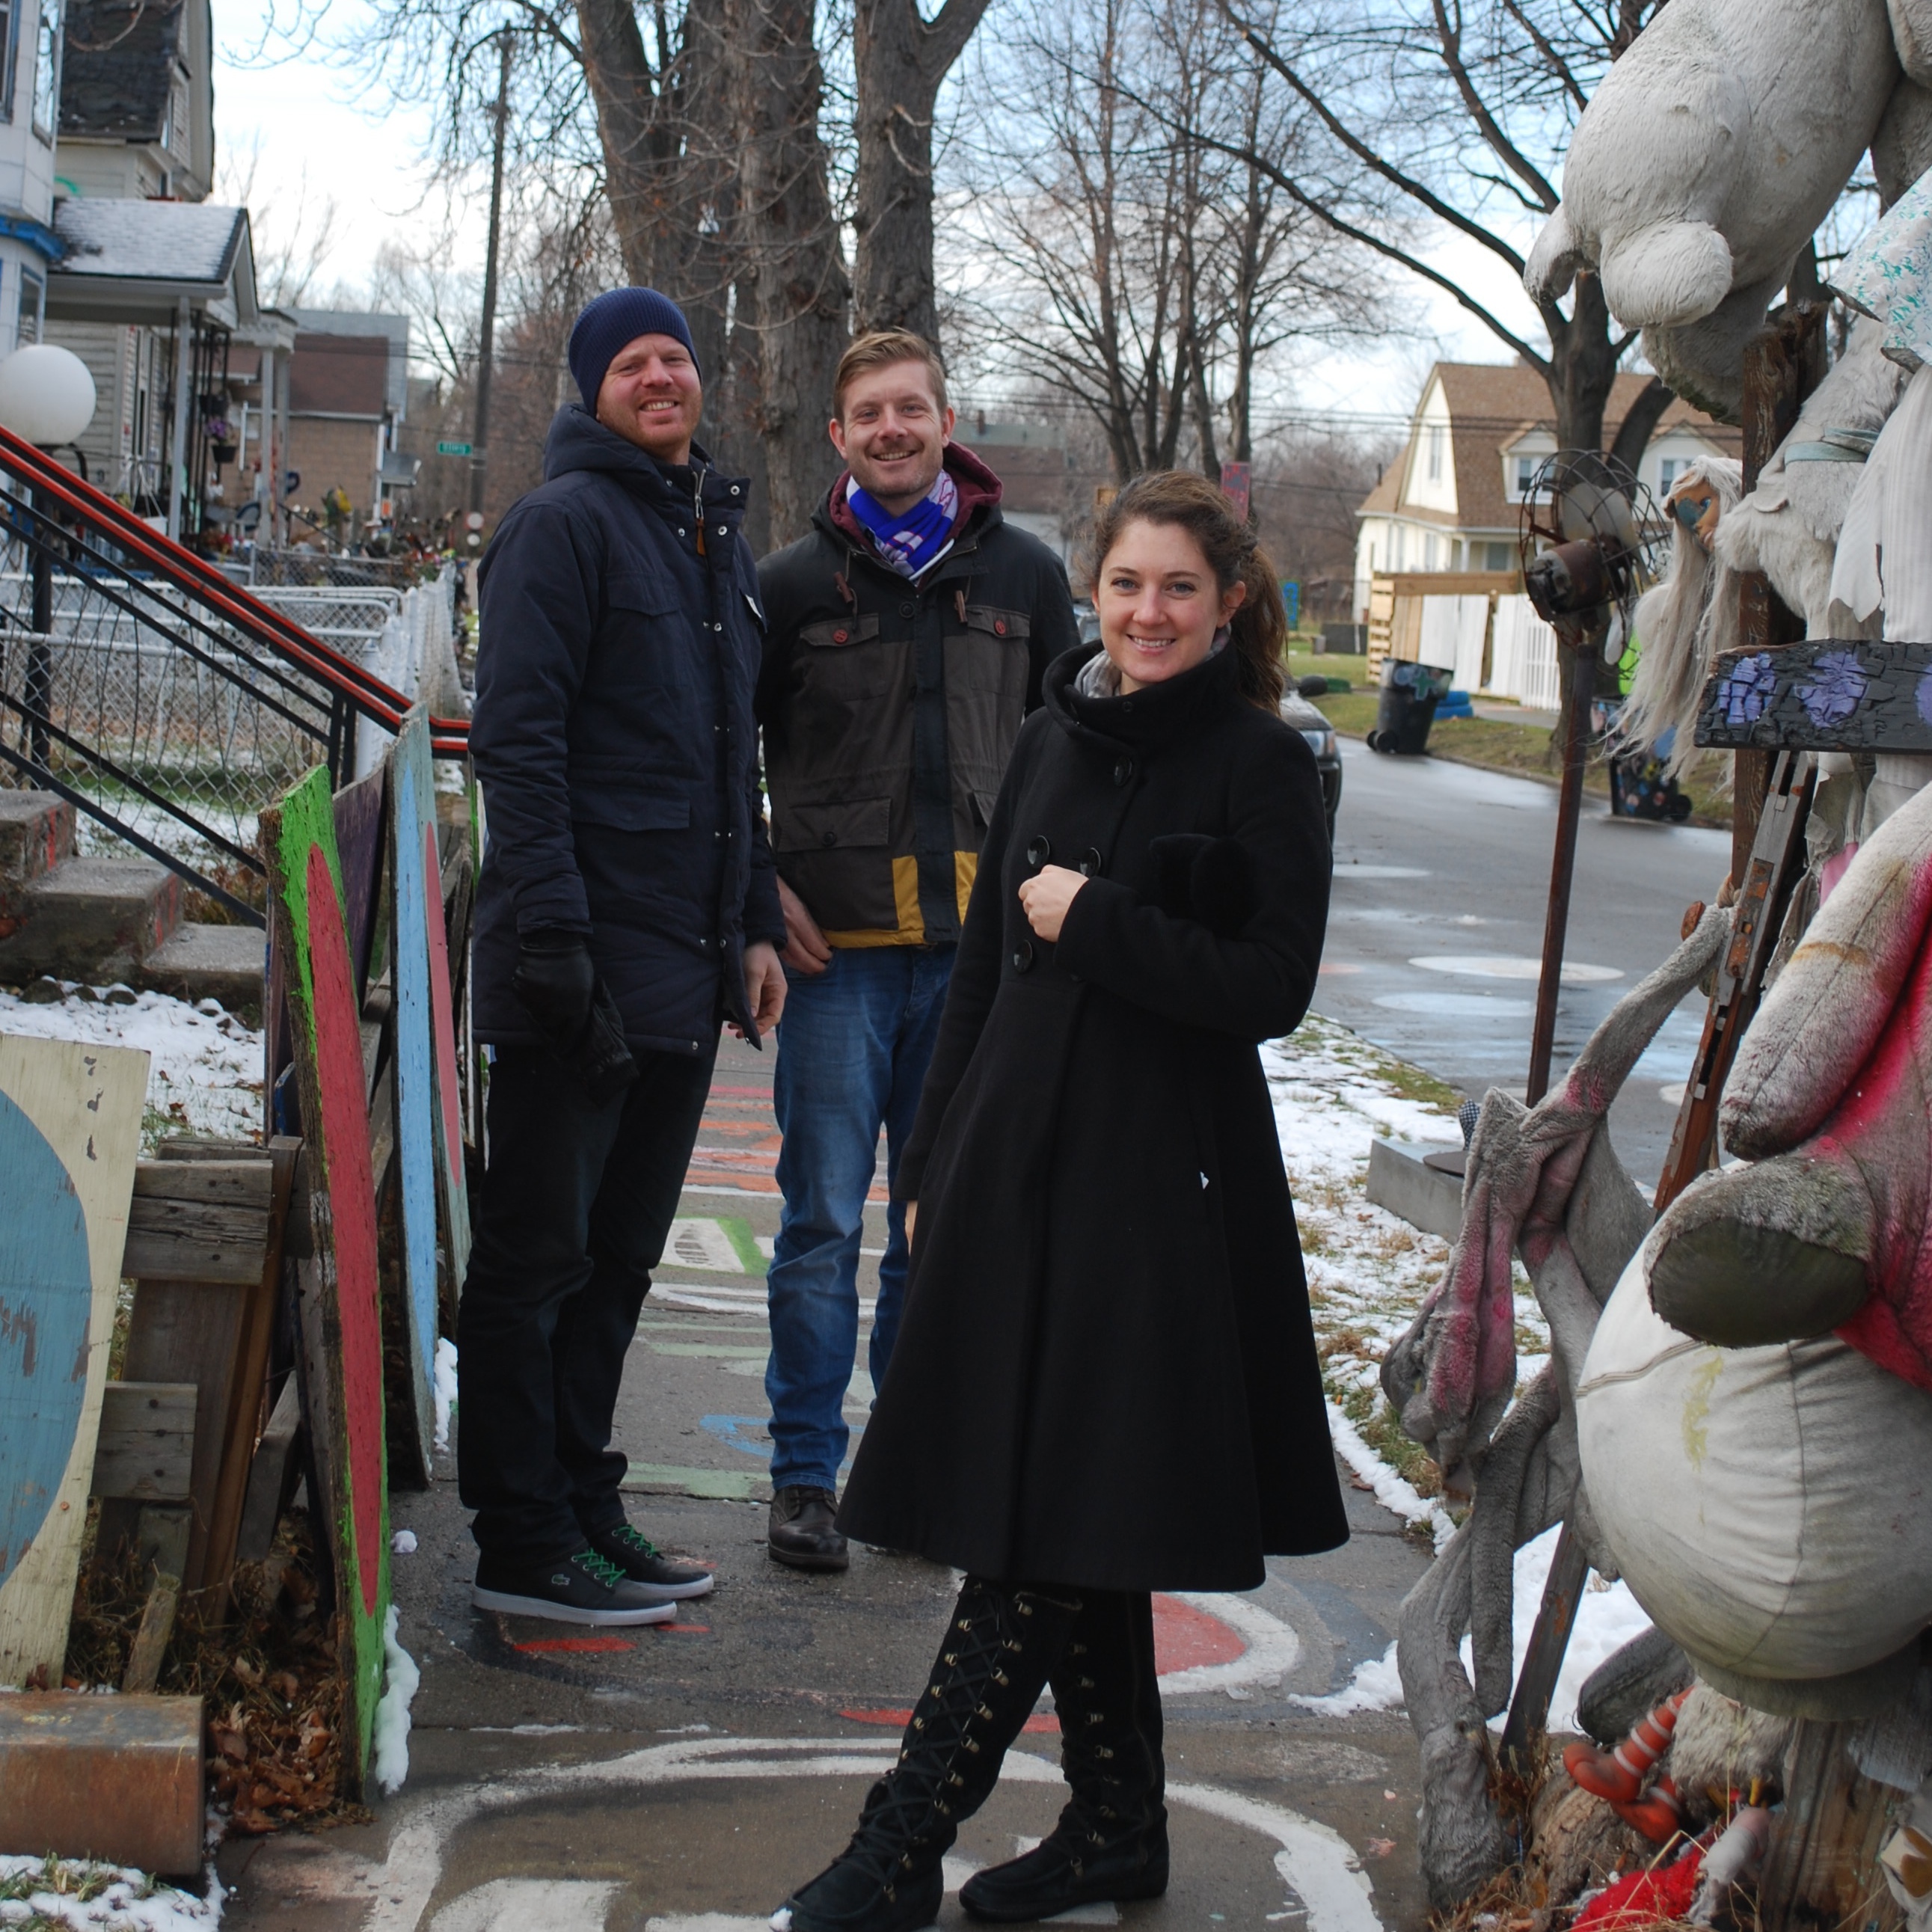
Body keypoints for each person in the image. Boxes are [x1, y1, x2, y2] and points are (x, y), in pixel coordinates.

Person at [771, 470, 1348, 1931]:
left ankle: (896, 1843)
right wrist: (938, 1156)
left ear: (1225, 605)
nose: (1145, 611)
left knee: (1033, 1529)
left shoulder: (1263, 764)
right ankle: (1115, 1825)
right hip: (1015, 1174)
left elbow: (1267, 988)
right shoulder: (1048, 732)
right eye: (1125, 583)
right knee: (1073, 1514)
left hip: (1161, 1205)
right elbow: (976, 961)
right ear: (1093, 590)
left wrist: (1097, 920)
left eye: (1175, 588)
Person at [461, 287, 788, 1628]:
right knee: (535, 1266)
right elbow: (518, 748)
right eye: (632, 363)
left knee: (619, 1264)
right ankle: (521, 1536)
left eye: (676, 359)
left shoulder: (706, 535)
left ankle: (586, 1502)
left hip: (681, 963)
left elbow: (730, 762)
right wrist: (552, 941)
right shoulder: (561, 529)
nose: (661, 378)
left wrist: (755, 920)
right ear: (591, 389)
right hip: (575, 969)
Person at [754, 331, 1080, 1572]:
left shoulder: (1027, 577)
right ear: (837, 436)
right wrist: (755, 890)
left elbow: (1076, 747)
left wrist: (1065, 897)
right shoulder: (790, 587)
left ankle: (911, 1464)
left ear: (947, 420)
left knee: (938, 1227)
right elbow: (728, 758)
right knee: (823, 1225)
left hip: (977, 967)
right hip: (839, 965)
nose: (891, 429)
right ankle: (802, 1479)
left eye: (912, 408)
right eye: (868, 414)